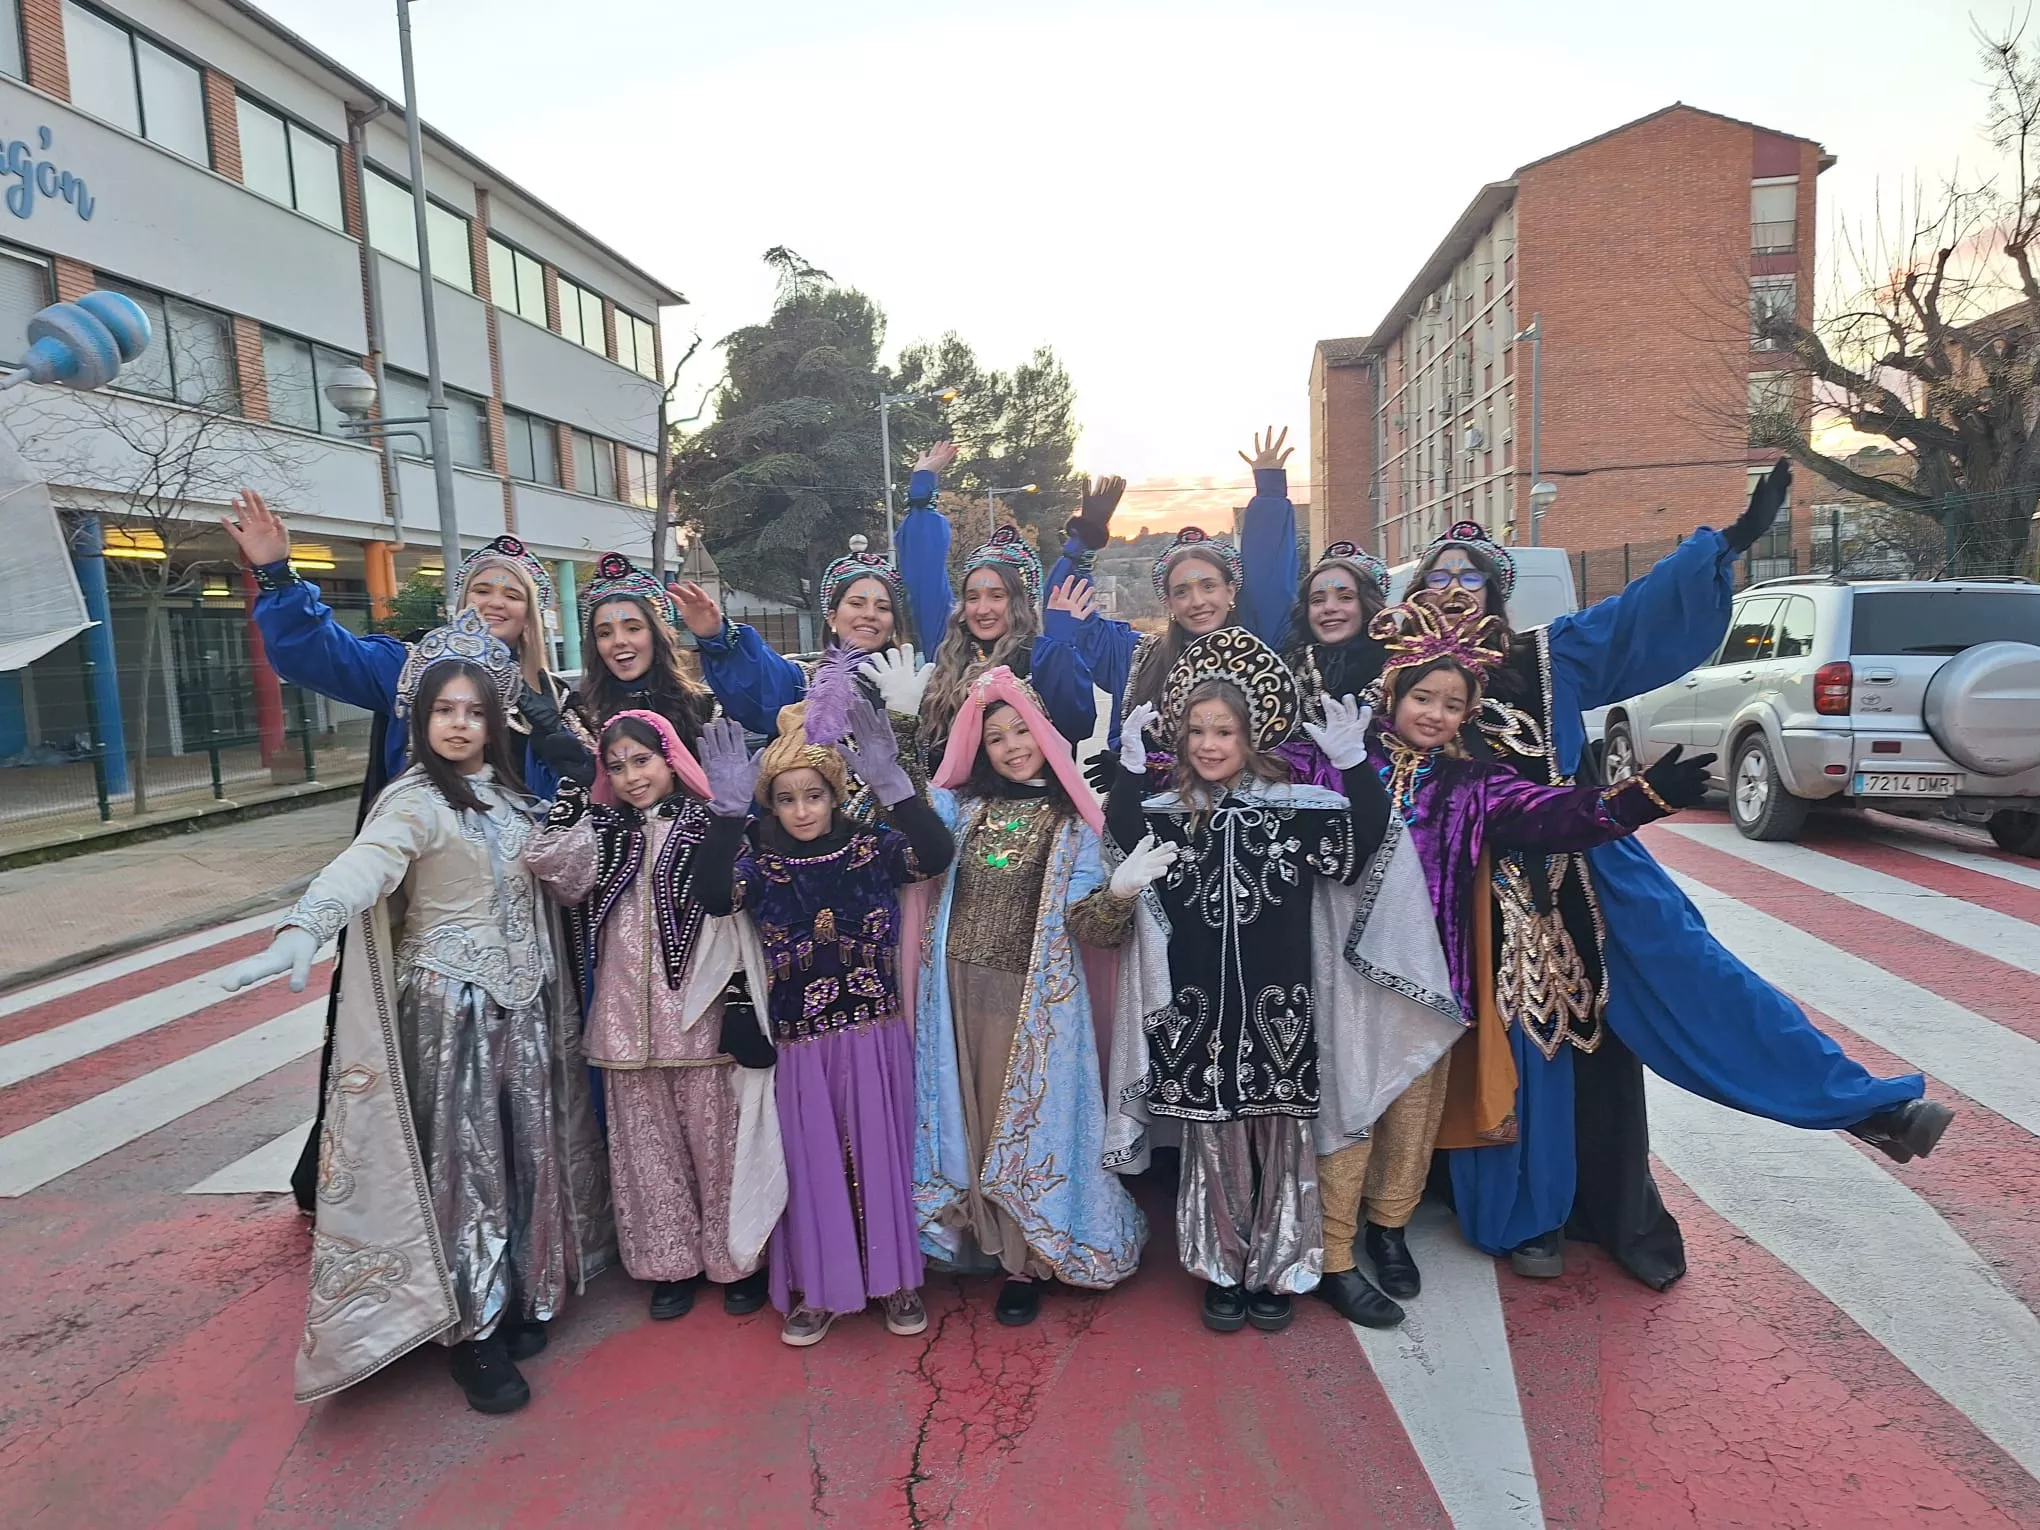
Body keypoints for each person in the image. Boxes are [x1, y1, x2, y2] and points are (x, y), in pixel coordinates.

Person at [1399, 511, 1947, 1284]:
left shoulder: (1549, 654)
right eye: (1439, 575)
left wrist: (1719, 545)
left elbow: (1639, 616)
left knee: (1701, 976)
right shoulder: (1391, 670)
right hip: (1467, 886)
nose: (1453, 589)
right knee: (1519, 1049)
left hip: (1586, 856)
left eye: (1470, 576)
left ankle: (1868, 1106)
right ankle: (1524, 1215)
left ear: (1496, 590)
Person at [220, 610, 612, 1415]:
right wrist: (303, 924)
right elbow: (363, 866)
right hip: (451, 1010)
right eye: (445, 710)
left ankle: (521, 1291)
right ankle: (473, 1333)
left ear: (492, 719)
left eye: (473, 710)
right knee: (462, 1169)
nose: (460, 724)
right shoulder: (412, 802)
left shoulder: (510, 802)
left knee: (521, 1150)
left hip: (530, 1007)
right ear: (420, 719)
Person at [222, 492, 595, 1216]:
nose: (493, 602)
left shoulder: (555, 698)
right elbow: (319, 653)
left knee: (530, 1077)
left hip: (528, 922)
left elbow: (585, 803)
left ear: (532, 613)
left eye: (510, 594)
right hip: (423, 917)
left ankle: (538, 1214)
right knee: (411, 1066)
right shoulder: (411, 669)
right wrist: (276, 576)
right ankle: (405, 1210)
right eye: (481, 587)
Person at [1348, 600, 1721, 1277]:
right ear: (1394, 694)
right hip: (1341, 974)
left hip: (1431, 979)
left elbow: (1555, 813)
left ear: (1468, 716)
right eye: (1422, 696)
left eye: (1452, 704)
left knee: (1410, 1113)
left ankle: (1389, 1231)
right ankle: (1330, 1234)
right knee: (1345, 1107)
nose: (1434, 713)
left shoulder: (1472, 785)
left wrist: (1641, 795)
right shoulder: (1341, 759)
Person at [1100, 627, 1394, 1335]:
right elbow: (1120, 837)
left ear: (1250, 732)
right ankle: (1220, 1268)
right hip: (1198, 1016)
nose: (1207, 743)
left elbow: (1360, 849)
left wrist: (1354, 767)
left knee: (1278, 1143)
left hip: (1278, 1014)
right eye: (1196, 729)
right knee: (1212, 1144)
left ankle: (1279, 1268)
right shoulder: (1171, 816)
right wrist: (1130, 772)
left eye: (1223, 730)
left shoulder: (1294, 809)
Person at [692, 695, 956, 1347]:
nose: (802, 810)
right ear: (770, 804)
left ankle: (897, 1280)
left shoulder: (874, 850)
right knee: (811, 1167)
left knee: (883, 1158)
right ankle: (816, 1287)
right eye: (785, 799)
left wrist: (895, 786)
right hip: (801, 1043)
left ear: (835, 794)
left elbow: (937, 851)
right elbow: (711, 896)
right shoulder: (761, 863)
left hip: (875, 1033)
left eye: (814, 795)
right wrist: (726, 816)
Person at [524, 711, 781, 1325]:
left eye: (642, 760)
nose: (632, 776)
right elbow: (551, 868)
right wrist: (569, 796)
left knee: (717, 1141)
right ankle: (669, 1265)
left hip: (702, 1013)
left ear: (670, 759)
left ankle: (736, 1261)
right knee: (645, 1149)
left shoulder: (710, 824)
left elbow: (742, 912)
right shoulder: (603, 829)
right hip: (623, 1020)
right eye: (616, 766)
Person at [912, 666, 1147, 1326]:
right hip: (956, 996)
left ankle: (1025, 1260)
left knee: (1023, 1130)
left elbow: (1088, 927)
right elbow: (909, 824)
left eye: (1021, 730)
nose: (1012, 745)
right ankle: (976, 1240)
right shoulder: (963, 811)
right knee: (970, 1124)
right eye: (995, 737)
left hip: (1030, 1006)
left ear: (1044, 732)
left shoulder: (1072, 825)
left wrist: (1118, 894)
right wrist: (906, 732)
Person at [672, 445, 954, 736]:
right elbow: (761, 679)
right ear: (831, 617)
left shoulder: (919, 678)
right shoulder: (803, 683)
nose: (870, 614)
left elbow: (929, 587)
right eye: (856, 603)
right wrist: (716, 636)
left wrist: (921, 495)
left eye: (883, 608)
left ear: (894, 621)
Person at [570, 552, 718, 748]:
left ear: (656, 636)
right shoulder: (581, 715)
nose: (619, 641)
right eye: (605, 633)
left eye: (633, 629)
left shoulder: (703, 706)